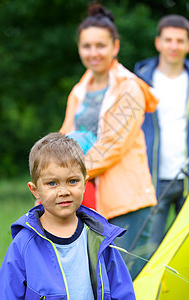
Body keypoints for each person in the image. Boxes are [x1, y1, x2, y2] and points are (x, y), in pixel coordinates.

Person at [60, 3, 158, 279]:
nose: (93, 53)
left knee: (123, 282)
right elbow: (64, 137)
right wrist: (51, 177)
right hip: (90, 199)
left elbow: (111, 149)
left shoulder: (129, 88)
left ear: (115, 46)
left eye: (100, 46)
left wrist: (65, 177)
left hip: (128, 202)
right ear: (79, 48)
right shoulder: (79, 90)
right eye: (87, 46)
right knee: (94, 282)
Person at [0, 132, 136, 300]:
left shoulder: (99, 236)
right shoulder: (24, 243)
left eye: (72, 181)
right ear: (35, 190)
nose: (64, 191)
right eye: (52, 183)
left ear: (84, 183)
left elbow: (123, 292)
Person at [134, 14, 189, 251]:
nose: (174, 46)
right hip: (153, 178)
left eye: (180, 40)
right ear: (158, 42)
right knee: (150, 249)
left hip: (186, 178)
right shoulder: (140, 79)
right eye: (168, 40)